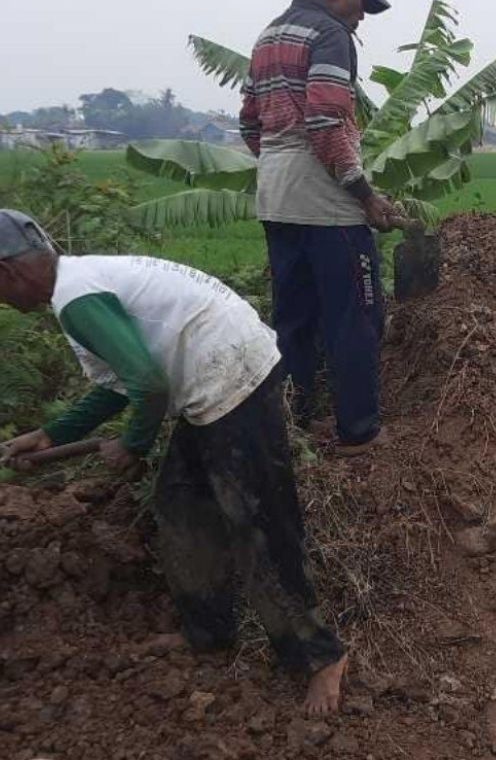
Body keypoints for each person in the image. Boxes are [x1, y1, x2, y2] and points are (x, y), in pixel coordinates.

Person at [0, 210, 348, 716]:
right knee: (182, 506)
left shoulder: (77, 299)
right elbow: (119, 386)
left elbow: (148, 385)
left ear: (7, 271)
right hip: (214, 377)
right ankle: (208, 633)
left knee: (258, 520)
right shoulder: (78, 285)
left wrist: (133, 446)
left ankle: (321, 656)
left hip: (232, 380)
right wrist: (51, 433)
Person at [240, 0, 397, 456]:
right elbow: (327, 122)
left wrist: (284, 170)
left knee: (294, 318)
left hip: (276, 196)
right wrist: (366, 196)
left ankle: (294, 425)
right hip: (327, 203)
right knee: (357, 315)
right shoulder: (330, 34)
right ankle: (360, 432)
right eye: (360, 2)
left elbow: (249, 123)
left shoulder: (268, 36)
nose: (362, 17)